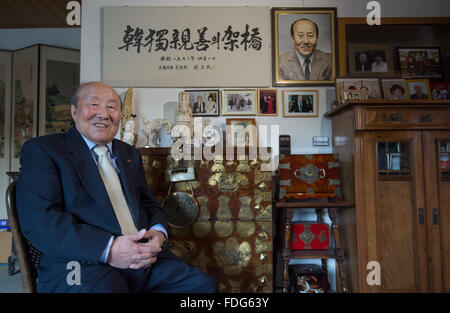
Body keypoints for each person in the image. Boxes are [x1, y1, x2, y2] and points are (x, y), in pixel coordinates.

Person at [16, 81, 218, 293]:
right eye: (94, 104)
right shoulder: (44, 150)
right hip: (78, 263)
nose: (103, 114)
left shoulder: (128, 154)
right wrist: (109, 249)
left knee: (202, 287)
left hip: (140, 258)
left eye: (111, 107)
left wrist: (158, 233)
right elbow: (40, 221)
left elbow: (149, 204)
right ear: (74, 112)